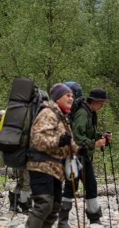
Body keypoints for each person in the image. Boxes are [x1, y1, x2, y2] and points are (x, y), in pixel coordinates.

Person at [25, 83, 79, 228]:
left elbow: (69, 143)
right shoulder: (48, 113)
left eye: (72, 96)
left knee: (54, 207)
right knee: (44, 204)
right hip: (40, 166)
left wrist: (80, 150)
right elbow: (37, 139)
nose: (71, 98)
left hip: (55, 169)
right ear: (57, 98)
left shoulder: (62, 117)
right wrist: (58, 141)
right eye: (67, 95)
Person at [58, 88, 111, 227]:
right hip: (75, 155)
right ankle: (63, 221)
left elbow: (87, 133)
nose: (102, 105)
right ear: (95, 102)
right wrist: (94, 143)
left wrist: (101, 136)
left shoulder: (89, 113)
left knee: (90, 185)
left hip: (83, 155)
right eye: (102, 103)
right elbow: (76, 137)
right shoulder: (82, 113)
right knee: (72, 186)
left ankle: (93, 218)